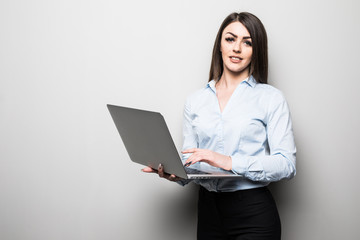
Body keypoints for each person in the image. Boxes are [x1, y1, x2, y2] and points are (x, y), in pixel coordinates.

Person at [142, 11, 296, 240]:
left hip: (253, 213)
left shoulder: (271, 98)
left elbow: (286, 164)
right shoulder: (196, 101)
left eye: (247, 42)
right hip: (208, 211)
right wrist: (176, 175)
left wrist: (228, 161)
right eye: (230, 39)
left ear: (256, 51)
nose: (237, 48)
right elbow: (190, 160)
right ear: (220, 45)